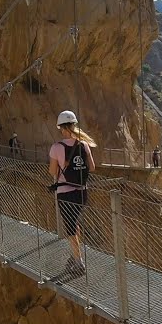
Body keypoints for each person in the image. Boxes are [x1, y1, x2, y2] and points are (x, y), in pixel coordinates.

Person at [48, 110, 96, 274]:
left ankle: (79, 262)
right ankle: (76, 255)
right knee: (74, 224)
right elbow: (92, 167)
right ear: (74, 125)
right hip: (82, 192)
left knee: (70, 227)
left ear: (60, 127)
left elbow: (53, 171)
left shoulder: (56, 147)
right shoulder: (84, 145)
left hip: (65, 193)